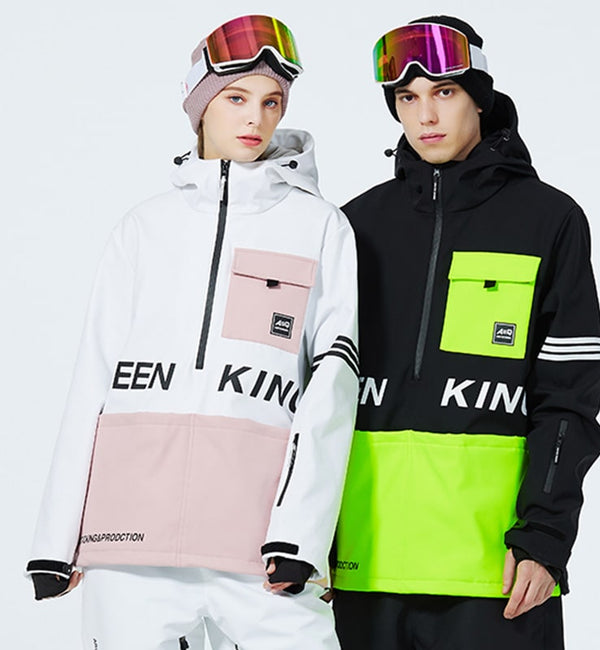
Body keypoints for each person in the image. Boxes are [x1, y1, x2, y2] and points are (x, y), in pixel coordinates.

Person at [26, 14, 358, 650]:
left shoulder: (318, 226)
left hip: (258, 542)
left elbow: (332, 387)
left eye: (272, 102)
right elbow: (94, 377)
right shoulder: (144, 227)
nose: (255, 118)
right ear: (200, 104)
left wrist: (301, 537)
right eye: (236, 98)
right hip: (131, 539)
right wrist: (55, 539)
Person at [332, 15, 600, 650]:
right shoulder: (353, 224)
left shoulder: (549, 219)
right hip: (362, 568)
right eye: (407, 98)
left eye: (445, 92)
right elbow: (316, 399)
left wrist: (545, 536)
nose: (425, 116)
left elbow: (569, 396)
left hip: (494, 574)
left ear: (479, 97)